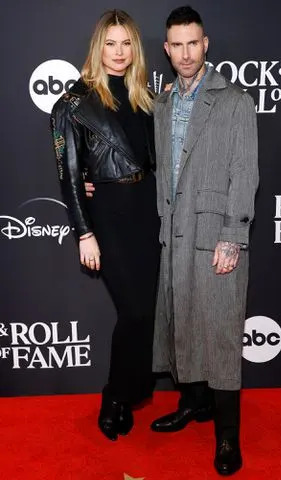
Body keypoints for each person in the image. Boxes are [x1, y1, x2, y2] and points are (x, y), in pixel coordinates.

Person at [150, 6, 259, 476]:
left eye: (193, 43)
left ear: (206, 43)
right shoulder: (162, 101)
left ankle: (228, 437)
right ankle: (195, 404)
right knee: (181, 325)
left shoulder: (234, 100)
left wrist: (232, 236)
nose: (186, 53)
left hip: (215, 234)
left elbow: (244, 172)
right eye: (177, 44)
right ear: (167, 49)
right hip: (174, 234)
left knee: (218, 335)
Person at [50, 9, 160, 442]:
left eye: (126, 43)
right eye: (110, 44)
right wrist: (84, 232)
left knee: (148, 313)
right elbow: (68, 175)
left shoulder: (145, 98)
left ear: (135, 48)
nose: (119, 53)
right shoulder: (72, 104)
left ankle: (133, 391)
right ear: (99, 47)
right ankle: (115, 396)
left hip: (148, 212)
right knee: (134, 311)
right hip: (109, 217)